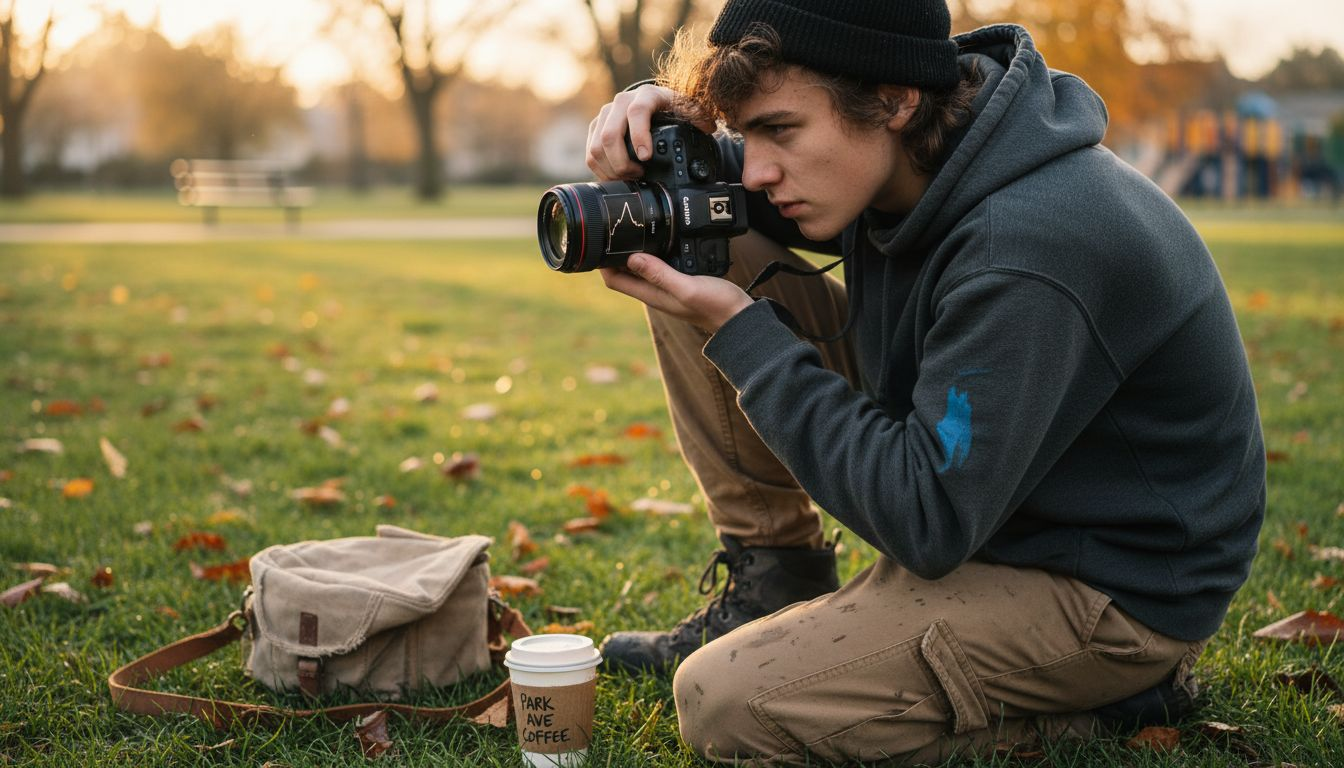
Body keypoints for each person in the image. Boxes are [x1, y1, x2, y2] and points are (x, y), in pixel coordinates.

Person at [584, 0, 1265, 763]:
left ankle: (1120, 696)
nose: (760, 165)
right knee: (691, 237)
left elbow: (927, 520)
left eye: (779, 130)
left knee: (729, 703)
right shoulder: (908, 151)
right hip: (999, 493)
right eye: (749, 136)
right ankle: (776, 575)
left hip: (1105, 584)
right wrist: (663, 123)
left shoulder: (1029, 241)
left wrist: (746, 335)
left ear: (896, 100)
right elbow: (735, 181)